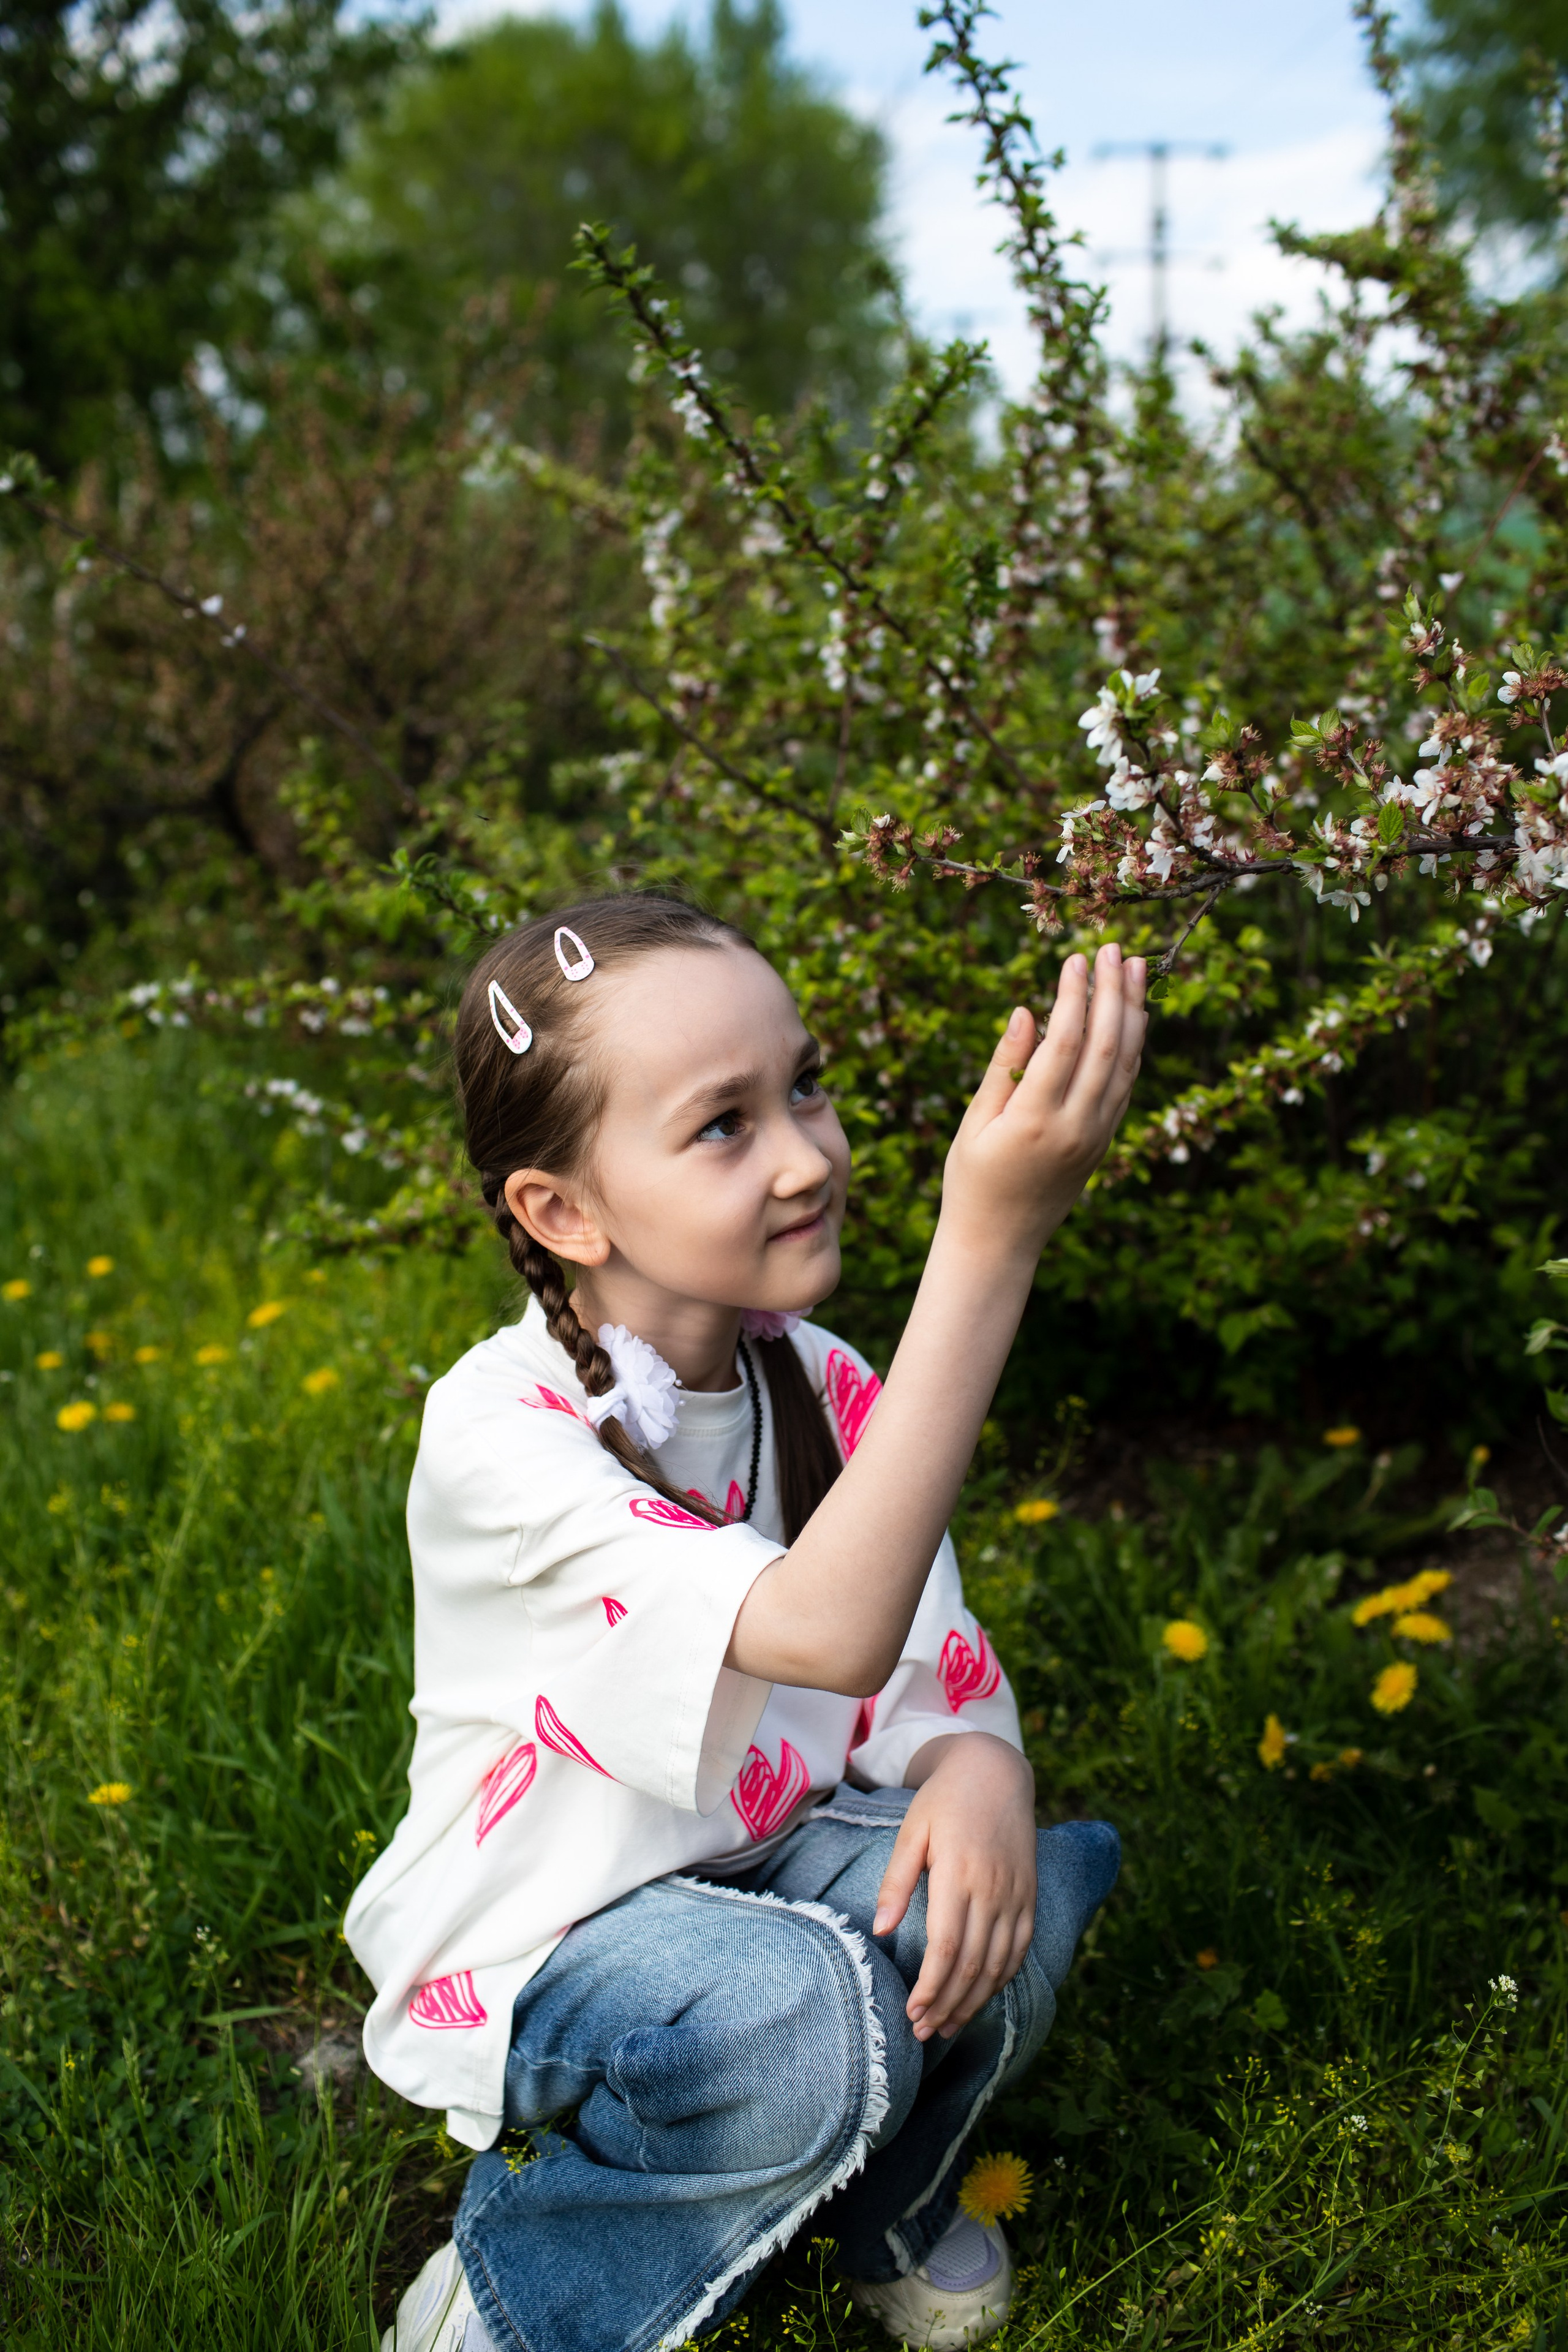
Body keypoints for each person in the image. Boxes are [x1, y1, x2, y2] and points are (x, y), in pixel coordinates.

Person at [347, 892, 1146, 2352]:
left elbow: (915, 1669)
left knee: (1007, 1896)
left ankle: (880, 2204)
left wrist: (974, 1761)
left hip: (766, 1859)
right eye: (723, 1125)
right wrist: (991, 1242)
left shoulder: (816, 1377)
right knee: (800, 2013)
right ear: (562, 1213)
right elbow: (823, 1630)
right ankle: (522, 2294)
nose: (804, 1154)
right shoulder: (499, 1436)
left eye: (804, 1086)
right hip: (557, 1932)